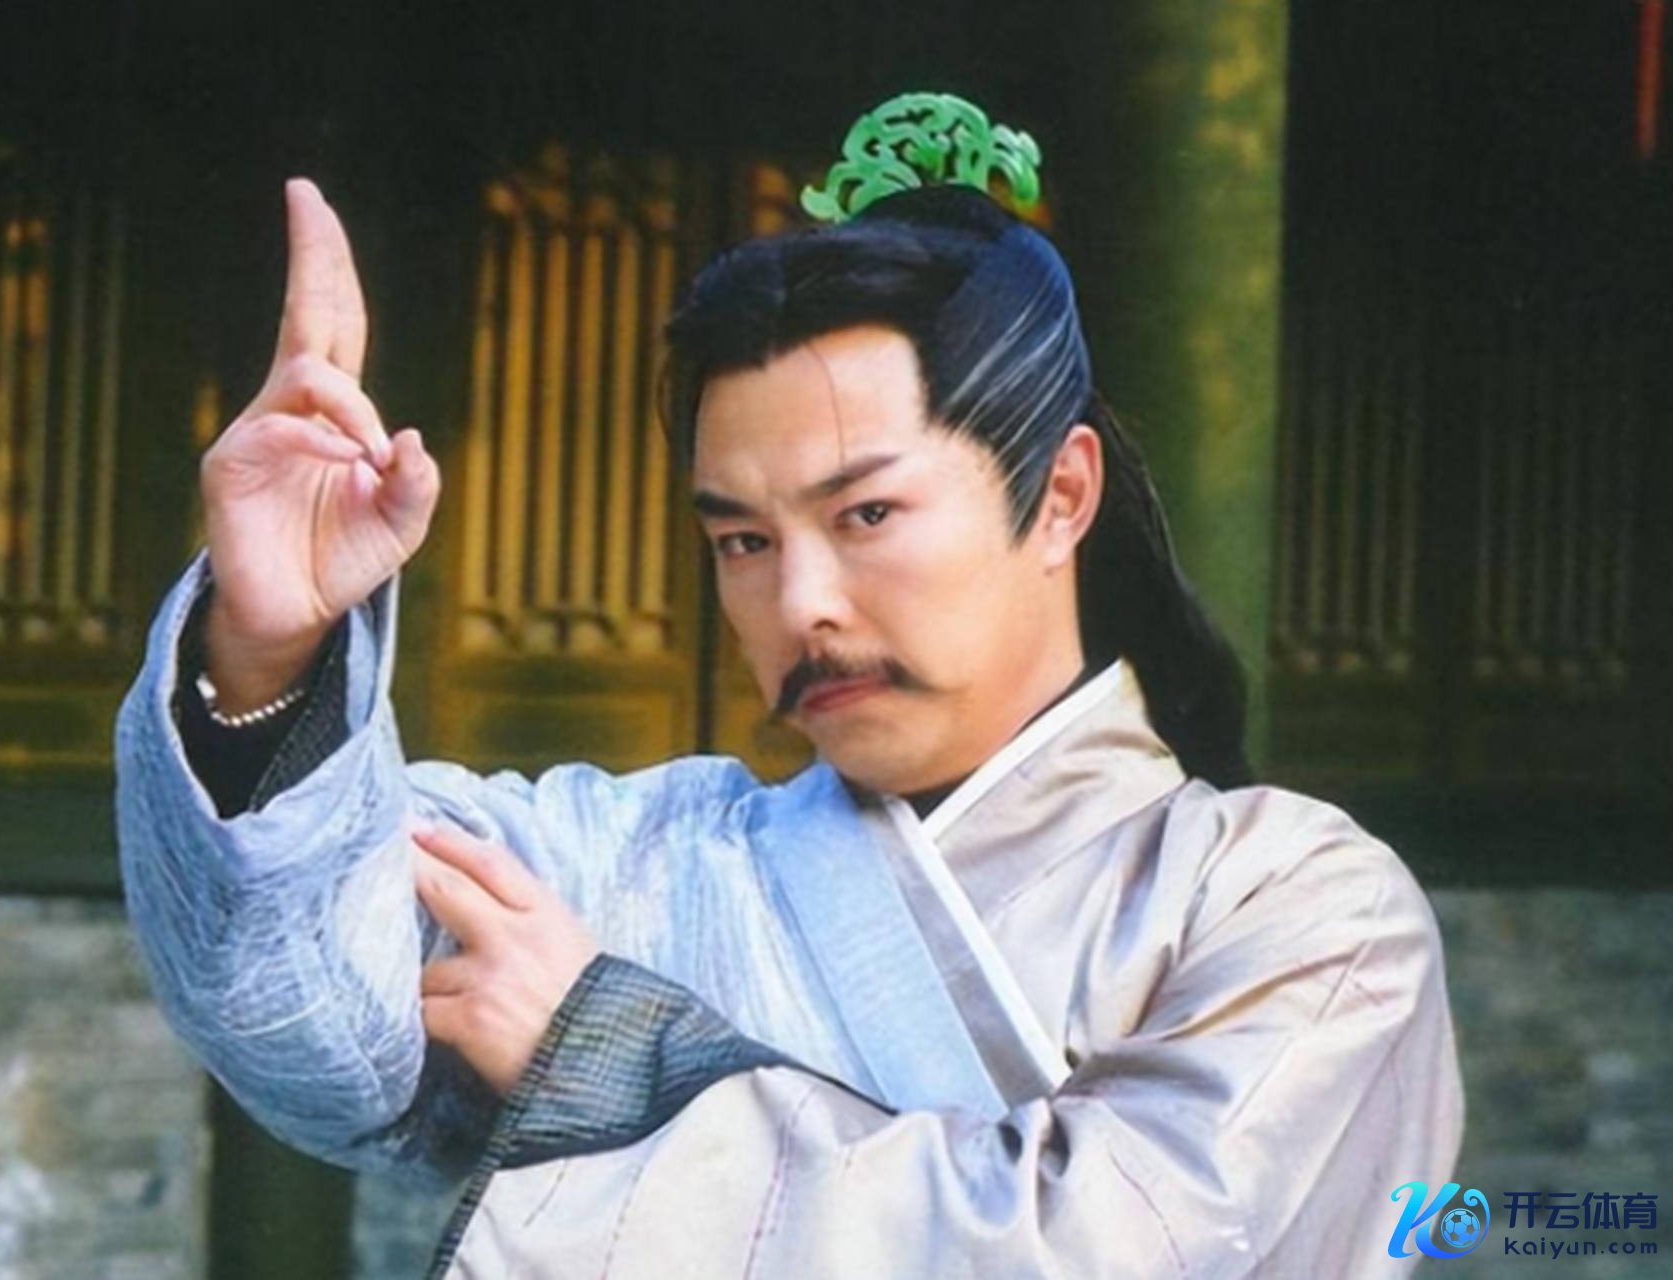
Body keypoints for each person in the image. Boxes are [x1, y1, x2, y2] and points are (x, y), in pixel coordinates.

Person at [116, 96, 1463, 1277]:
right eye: (742, 542)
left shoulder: (1300, 908)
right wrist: (267, 648)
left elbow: (1137, 1252)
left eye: (865, 514)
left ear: (1059, 495)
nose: (799, 601)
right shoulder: (647, 865)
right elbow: (313, 1002)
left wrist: (617, 1059)